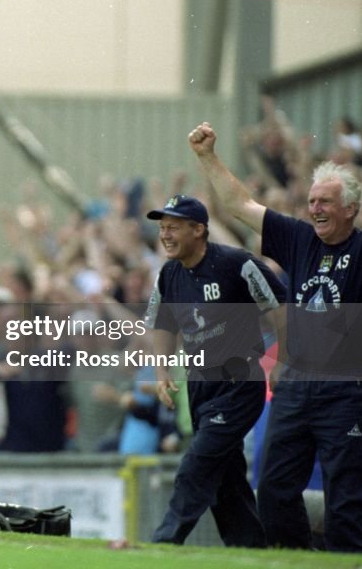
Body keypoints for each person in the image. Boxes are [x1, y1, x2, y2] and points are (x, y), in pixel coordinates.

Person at [188, 121, 362, 553]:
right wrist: (207, 157)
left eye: (325, 201)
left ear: (351, 209)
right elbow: (237, 203)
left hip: (346, 390)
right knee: (274, 492)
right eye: (311, 202)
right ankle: (299, 562)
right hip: (296, 387)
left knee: (345, 500)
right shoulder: (298, 237)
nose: (316, 209)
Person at [143, 194, 286, 546]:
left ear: (199, 230)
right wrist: (162, 372)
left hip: (240, 382)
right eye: (162, 228)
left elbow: (281, 307)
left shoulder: (237, 263)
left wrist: (284, 360)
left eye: (173, 227)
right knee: (226, 478)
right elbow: (162, 324)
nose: (165, 235)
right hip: (200, 387)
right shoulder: (169, 275)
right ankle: (250, 549)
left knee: (197, 463)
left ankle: (164, 542)